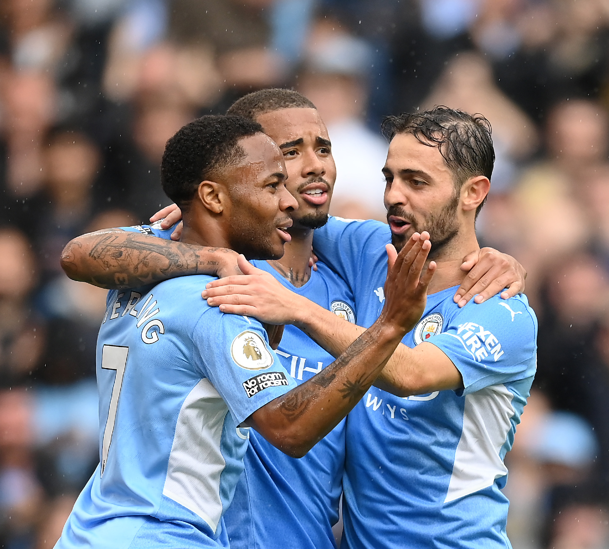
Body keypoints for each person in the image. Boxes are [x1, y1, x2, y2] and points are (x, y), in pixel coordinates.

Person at [59, 92, 527, 548]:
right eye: (287, 158)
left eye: (323, 148)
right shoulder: (230, 275)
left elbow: (410, 369)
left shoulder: (367, 261)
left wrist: (504, 260)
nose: (314, 166)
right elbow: (80, 254)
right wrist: (200, 242)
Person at [202, 106, 538, 548]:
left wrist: (298, 308)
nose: (394, 196)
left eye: (417, 182)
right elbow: (278, 215)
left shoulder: (502, 312)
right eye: (389, 178)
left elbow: (410, 374)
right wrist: (203, 210)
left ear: (473, 192)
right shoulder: (370, 252)